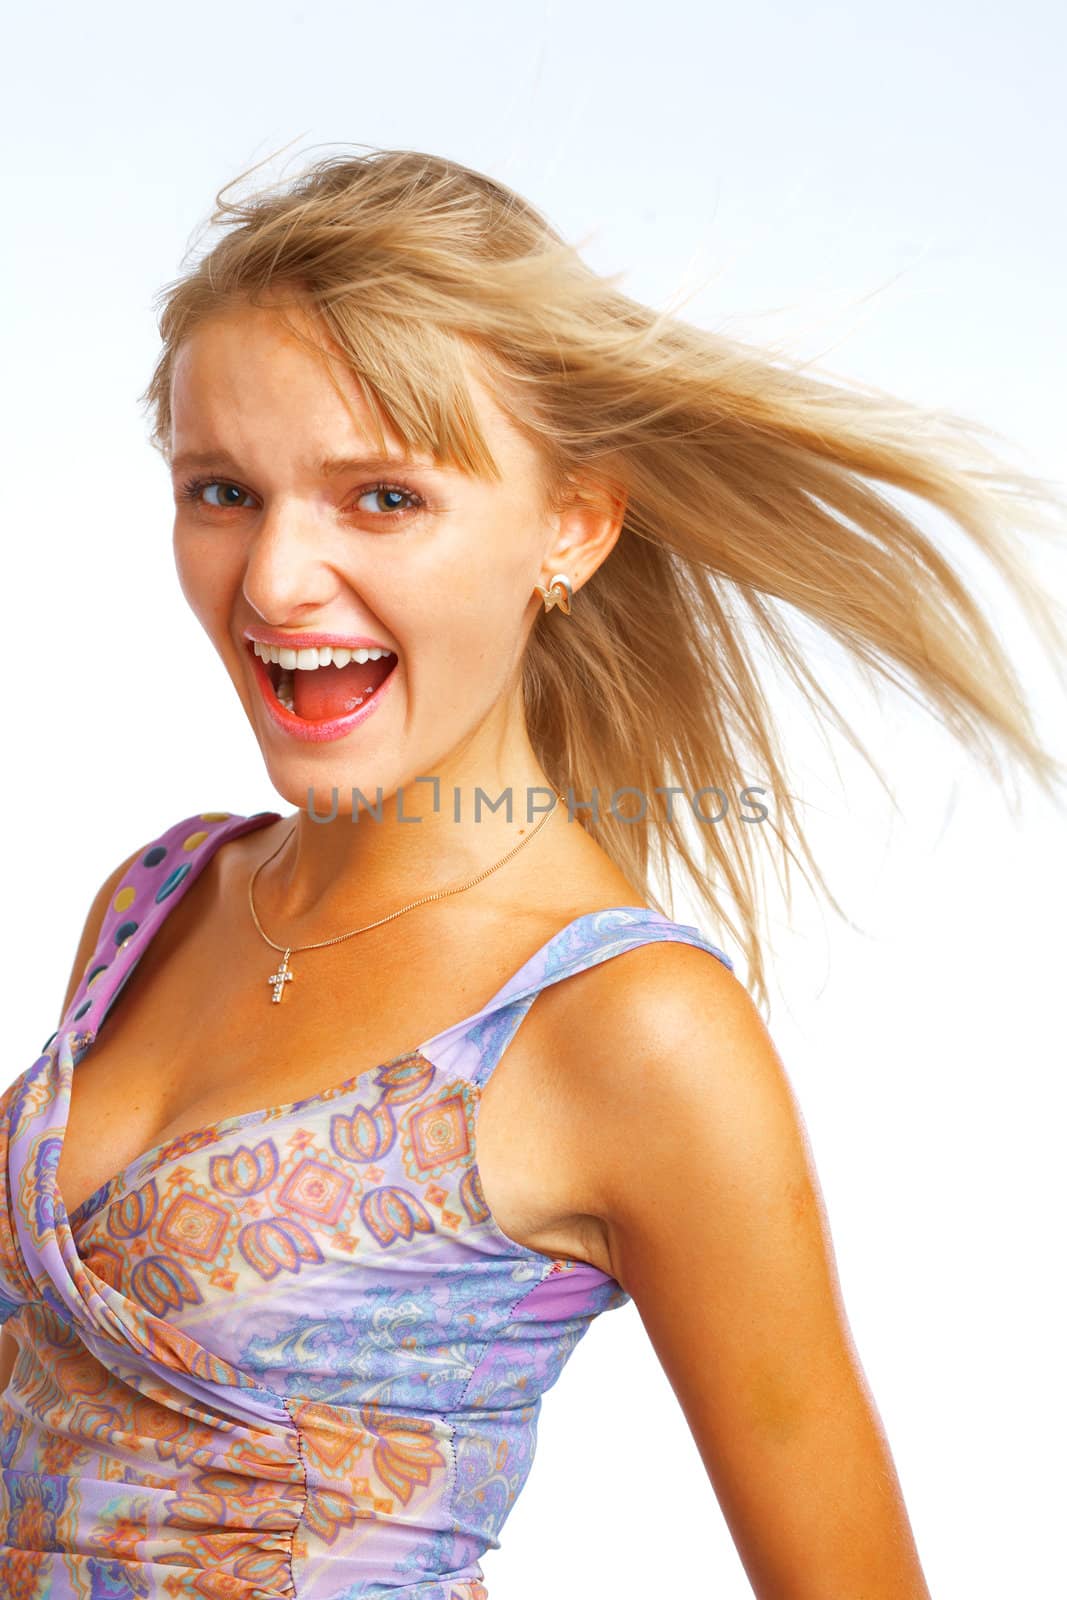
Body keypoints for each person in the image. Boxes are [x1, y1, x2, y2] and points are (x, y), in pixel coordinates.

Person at [1, 146, 1062, 1600]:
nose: (273, 581)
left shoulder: (627, 1027)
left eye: (381, 499)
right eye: (223, 490)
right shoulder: (158, 897)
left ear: (570, 524)